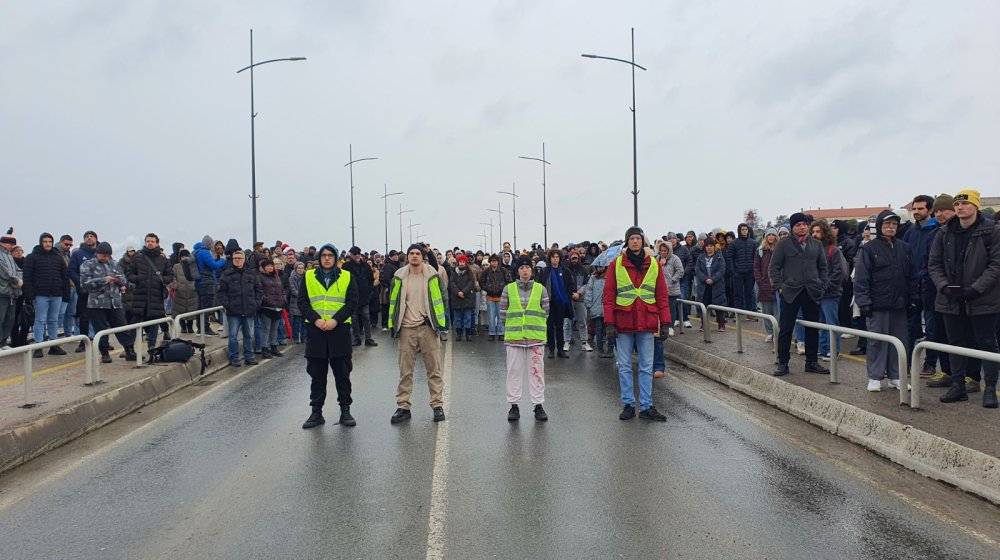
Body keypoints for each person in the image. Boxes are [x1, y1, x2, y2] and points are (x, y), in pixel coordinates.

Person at [928, 189, 1000, 408]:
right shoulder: (944, 233)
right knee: (955, 344)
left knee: (986, 344)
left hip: (983, 299)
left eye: (965, 204)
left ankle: (989, 389)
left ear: (976, 206)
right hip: (950, 299)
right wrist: (944, 287)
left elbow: (996, 266)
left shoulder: (992, 231)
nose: (960, 208)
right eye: (957, 204)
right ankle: (957, 385)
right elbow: (934, 264)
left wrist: (975, 289)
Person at [604, 226, 671, 422]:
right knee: (624, 365)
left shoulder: (654, 265)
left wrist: (665, 322)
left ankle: (647, 406)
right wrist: (609, 323)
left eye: (638, 238)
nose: (635, 241)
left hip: (647, 321)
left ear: (642, 241)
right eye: (631, 238)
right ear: (627, 242)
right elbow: (609, 297)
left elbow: (662, 295)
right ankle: (628, 405)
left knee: (646, 365)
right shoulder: (615, 265)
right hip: (623, 321)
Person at [854, 210, 916, 391]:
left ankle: (896, 376)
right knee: (877, 341)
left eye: (894, 224)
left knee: (899, 341)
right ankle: (875, 376)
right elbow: (861, 278)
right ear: (880, 226)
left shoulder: (904, 248)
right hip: (877, 304)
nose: (891, 227)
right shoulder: (869, 248)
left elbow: (912, 276)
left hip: (900, 304)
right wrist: (864, 302)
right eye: (887, 224)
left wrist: (913, 299)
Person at [387, 244, 449, 424]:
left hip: (427, 327)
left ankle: (437, 405)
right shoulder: (399, 276)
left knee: (434, 370)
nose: (414, 256)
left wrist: (440, 323)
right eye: (411, 253)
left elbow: (443, 299)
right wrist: (393, 326)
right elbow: (394, 302)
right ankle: (403, 407)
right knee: (405, 371)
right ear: (407, 257)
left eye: (417, 253)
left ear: (423, 257)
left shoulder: (432, 275)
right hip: (406, 328)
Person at [299, 243, 359, 429]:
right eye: (323, 255)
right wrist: (316, 320)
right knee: (317, 376)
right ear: (319, 258)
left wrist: (335, 320)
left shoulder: (347, 276)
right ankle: (316, 412)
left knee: (342, 375)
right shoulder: (308, 276)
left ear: (335, 258)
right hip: (316, 333)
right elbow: (302, 302)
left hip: (338, 332)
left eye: (330, 255)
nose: (326, 258)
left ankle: (345, 410)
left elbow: (352, 302)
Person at [769, 213, 830, 376]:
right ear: (792, 227)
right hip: (790, 292)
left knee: (812, 328)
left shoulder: (816, 244)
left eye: (804, 224)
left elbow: (823, 268)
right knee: (786, 328)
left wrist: (822, 286)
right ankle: (783, 362)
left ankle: (811, 362)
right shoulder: (783, 244)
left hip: (812, 291)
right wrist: (780, 286)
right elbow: (774, 267)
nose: (802, 227)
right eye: (798, 225)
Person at [500, 256, 551, 422]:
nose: (524, 270)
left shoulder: (540, 289)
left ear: (532, 269)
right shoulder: (508, 289)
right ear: (518, 270)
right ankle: (514, 406)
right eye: (521, 268)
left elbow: (546, 312)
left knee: (537, 372)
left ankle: (538, 406)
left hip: (535, 339)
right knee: (514, 372)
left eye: (527, 267)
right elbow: (503, 313)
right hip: (514, 338)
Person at [79, 242, 136, 363]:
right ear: (97, 254)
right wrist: (103, 280)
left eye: (107, 256)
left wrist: (119, 280)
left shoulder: (114, 264)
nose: (105, 258)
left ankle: (129, 350)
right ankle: (104, 353)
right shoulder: (88, 265)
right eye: (103, 256)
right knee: (101, 329)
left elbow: (124, 279)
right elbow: (84, 283)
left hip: (114, 302)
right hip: (97, 303)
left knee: (122, 326)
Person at [22, 232, 71, 356]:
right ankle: (38, 346)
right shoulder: (32, 257)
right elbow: (27, 277)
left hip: (57, 294)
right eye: (45, 241)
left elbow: (65, 277)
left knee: (54, 320)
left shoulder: (58, 257)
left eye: (50, 241)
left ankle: (54, 345)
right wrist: (29, 295)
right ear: (41, 242)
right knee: (40, 320)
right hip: (40, 295)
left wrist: (66, 294)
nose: (48, 244)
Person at [125, 233, 174, 352]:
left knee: (154, 322)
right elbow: (129, 274)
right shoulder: (137, 258)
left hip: (156, 295)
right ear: (145, 243)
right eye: (148, 241)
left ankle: (151, 347)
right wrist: (138, 279)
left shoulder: (163, 260)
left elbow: (170, 276)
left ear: (157, 243)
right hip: (140, 295)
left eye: (152, 241)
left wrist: (160, 279)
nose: (150, 243)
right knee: (135, 323)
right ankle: (129, 349)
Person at [216, 250, 261, 368]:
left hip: (249, 309)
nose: (237, 260)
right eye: (235, 257)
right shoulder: (227, 274)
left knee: (248, 335)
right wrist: (228, 305)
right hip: (233, 311)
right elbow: (221, 292)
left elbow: (258, 290)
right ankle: (234, 358)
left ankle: (249, 357)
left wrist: (256, 303)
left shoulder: (251, 273)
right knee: (233, 336)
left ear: (244, 259)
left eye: (240, 258)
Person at [811, 221, 845, 361]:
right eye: (813, 232)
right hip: (817, 293)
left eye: (818, 231)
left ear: (824, 232)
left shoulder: (833, 250)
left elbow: (839, 272)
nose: (814, 234)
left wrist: (826, 286)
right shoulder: (812, 250)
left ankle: (833, 350)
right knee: (821, 324)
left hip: (830, 293)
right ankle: (823, 348)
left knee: (831, 323)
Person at [535, 249, 575, 358]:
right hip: (549, 302)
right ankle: (551, 349)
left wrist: (566, 296)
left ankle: (560, 349)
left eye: (557, 257)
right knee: (549, 327)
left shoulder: (565, 270)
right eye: (553, 257)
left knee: (559, 326)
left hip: (561, 303)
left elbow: (571, 285)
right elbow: (539, 286)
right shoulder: (545, 271)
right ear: (550, 258)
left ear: (560, 258)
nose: (555, 259)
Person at [68, 230, 99, 352]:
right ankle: (83, 343)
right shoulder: (78, 254)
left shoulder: (101, 252)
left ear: (96, 239)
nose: (89, 238)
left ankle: (103, 342)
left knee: (100, 317)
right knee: (84, 317)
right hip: (84, 292)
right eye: (87, 236)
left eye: (92, 236)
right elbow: (71, 271)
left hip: (100, 292)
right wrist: (81, 283)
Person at [343, 246, 377, 347]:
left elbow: (371, 280)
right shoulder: (346, 266)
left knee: (366, 317)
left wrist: (369, 291)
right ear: (351, 255)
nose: (357, 255)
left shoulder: (366, 266)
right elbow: (343, 281)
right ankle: (356, 338)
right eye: (355, 254)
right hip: (352, 296)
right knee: (354, 318)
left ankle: (368, 338)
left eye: (358, 253)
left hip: (364, 296)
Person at [193, 235, 227, 335]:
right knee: (206, 307)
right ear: (209, 244)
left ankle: (200, 328)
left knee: (200, 306)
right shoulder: (204, 252)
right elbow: (214, 266)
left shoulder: (195, 251)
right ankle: (205, 329)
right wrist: (222, 260)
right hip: (206, 283)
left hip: (199, 282)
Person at [753, 227, 779, 342]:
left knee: (777, 312)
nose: (771, 237)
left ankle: (777, 332)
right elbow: (756, 267)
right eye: (769, 235)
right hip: (764, 284)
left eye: (773, 235)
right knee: (766, 311)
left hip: (777, 285)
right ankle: (769, 332)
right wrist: (759, 280)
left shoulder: (780, 250)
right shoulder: (760, 250)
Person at [696, 237, 727, 331]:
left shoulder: (719, 256)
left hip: (717, 285)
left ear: (714, 247)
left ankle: (721, 324)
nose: (709, 248)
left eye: (711, 246)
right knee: (703, 305)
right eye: (707, 246)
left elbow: (722, 269)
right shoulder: (700, 257)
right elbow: (697, 270)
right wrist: (705, 279)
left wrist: (713, 279)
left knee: (719, 305)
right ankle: (703, 324)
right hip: (704, 285)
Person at [0, 228, 23, 350]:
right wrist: (16, 281)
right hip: (2, 292)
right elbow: (5, 273)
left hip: (12, 293)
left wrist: (19, 279)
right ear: (3, 243)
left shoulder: (9, 256)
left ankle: (3, 342)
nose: (12, 247)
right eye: (11, 244)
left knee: (10, 319)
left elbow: (18, 270)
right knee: (1, 318)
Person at [480, 254, 512, 341]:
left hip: (501, 297)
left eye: (495, 261)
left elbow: (509, 281)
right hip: (490, 297)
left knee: (501, 317)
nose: (494, 263)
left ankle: (501, 333)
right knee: (491, 317)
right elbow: (481, 282)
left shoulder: (503, 270)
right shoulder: (486, 272)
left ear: (498, 262)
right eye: (492, 261)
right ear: (490, 262)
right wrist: (487, 288)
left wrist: (503, 289)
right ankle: (492, 333)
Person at [258, 258, 286, 359]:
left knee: (274, 329)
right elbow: (260, 292)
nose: (270, 267)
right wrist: (269, 301)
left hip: (278, 307)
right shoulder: (260, 277)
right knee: (266, 329)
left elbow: (282, 290)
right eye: (268, 266)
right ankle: (264, 348)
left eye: (271, 266)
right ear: (263, 268)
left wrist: (283, 301)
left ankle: (273, 347)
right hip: (266, 307)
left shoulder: (276, 277)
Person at [564, 252, 591, 352]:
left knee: (582, 322)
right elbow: (565, 284)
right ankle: (566, 341)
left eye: (576, 258)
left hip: (580, 299)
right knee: (567, 322)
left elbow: (586, 284)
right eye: (572, 258)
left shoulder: (583, 270)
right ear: (570, 259)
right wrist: (571, 294)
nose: (574, 260)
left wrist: (579, 293)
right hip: (569, 299)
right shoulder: (566, 270)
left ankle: (584, 342)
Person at [730, 222, 758, 318]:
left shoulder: (754, 243)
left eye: (746, 229)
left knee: (749, 293)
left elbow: (756, 259)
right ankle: (738, 313)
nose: (744, 231)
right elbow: (730, 259)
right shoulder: (734, 243)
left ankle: (749, 313)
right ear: (739, 231)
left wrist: (754, 271)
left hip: (750, 273)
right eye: (742, 229)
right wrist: (734, 272)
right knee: (738, 294)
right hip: (738, 273)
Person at [448, 254, 477, 341]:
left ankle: (468, 335)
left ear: (466, 263)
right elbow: (452, 283)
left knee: (467, 318)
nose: (461, 263)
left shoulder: (470, 273)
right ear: (458, 263)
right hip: (456, 298)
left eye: (463, 262)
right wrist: (458, 292)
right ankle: (459, 334)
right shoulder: (453, 273)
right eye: (460, 262)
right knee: (458, 318)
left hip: (467, 298)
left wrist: (463, 292)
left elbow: (471, 283)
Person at [583, 264, 610, 358]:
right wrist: (588, 303)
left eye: (602, 266)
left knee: (610, 330)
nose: (600, 268)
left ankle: (610, 349)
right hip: (597, 306)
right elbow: (589, 290)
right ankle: (600, 349)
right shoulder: (593, 278)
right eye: (598, 267)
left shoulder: (611, 276)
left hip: (609, 307)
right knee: (599, 328)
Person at [170, 249, 199, 333]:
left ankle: (190, 327)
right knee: (179, 310)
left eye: (186, 256)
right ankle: (183, 327)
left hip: (192, 291)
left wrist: (194, 285)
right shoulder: (176, 266)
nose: (184, 258)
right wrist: (176, 286)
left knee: (191, 310)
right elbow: (173, 277)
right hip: (180, 292)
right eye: (182, 256)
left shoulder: (193, 265)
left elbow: (196, 275)